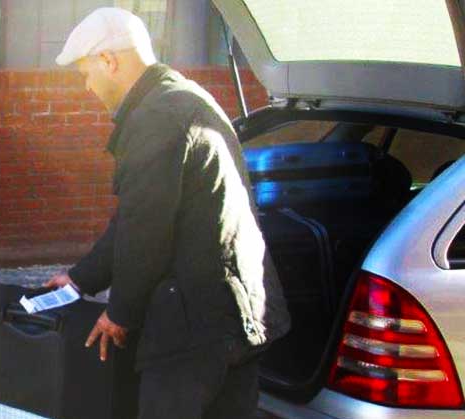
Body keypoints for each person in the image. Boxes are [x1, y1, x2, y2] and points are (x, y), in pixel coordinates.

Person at [44, 8, 291, 419]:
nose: (87, 85)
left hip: (192, 326)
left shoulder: (155, 118)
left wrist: (120, 313)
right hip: (236, 312)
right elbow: (135, 217)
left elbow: (146, 231)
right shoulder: (184, 97)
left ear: (110, 60)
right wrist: (81, 278)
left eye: (87, 72)